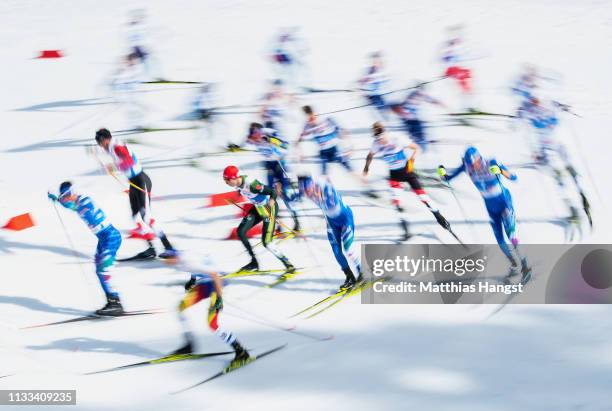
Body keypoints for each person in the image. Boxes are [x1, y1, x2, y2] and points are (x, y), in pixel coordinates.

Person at [439, 147, 530, 280]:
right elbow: (448, 178)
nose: (473, 167)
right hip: (491, 207)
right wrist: (442, 172)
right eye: (470, 165)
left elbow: (514, 177)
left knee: (511, 236)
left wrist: (500, 171)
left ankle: (525, 265)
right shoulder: (466, 166)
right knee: (499, 240)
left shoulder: (491, 163)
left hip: (504, 203)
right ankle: (514, 264)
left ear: (479, 158)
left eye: (474, 164)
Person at [95, 128, 176, 259]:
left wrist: (113, 167)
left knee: (147, 218)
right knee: (136, 217)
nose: (100, 146)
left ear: (105, 140)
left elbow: (129, 161)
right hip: (134, 183)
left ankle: (169, 248)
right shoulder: (112, 147)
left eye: (100, 143)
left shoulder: (116, 146)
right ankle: (151, 249)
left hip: (140, 181)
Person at [363, 122, 451, 241]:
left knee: (424, 198)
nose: (381, 141)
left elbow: (416, 148)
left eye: (382, 138)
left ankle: (440, 218)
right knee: (397, 204)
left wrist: (412, 160)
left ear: (386, 133)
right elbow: (370, 155)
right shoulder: (376, 144)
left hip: (408, 173)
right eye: (378, 139)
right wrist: (366, 167)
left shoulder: (397, 138)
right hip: (394, 176)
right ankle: (406, 231)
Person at [48, 182, 124, 315]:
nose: (66, 198)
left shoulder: (84, 203)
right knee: (99, 270)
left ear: (73, 192)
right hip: (103, 239)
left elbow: (75, 206)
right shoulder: (77, 202)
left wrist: (60, 199)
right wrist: (58, 199)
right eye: (64, 196)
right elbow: (69, 205)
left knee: (104, 270)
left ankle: (115, 303)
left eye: (67, 195)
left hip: (111, 237)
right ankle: (112, 301)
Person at [165, 252, 251, 367]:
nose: (165, 261)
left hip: (216, 285)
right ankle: (189, 345)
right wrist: (192, 280)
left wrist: (219, 298)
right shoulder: (181, 261)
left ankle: (241, 352)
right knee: (180, 307)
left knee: (212, 324)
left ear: (174, 257)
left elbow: (214, 274)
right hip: (204, 285)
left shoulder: (188, 261)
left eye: (167, 258)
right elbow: (195, 268)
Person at [223, 165, 295, 273]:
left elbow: (273, 192)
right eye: (225, 181)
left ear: (234, 178)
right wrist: (234, 198)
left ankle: (289, 265)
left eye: (227, 180)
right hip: (258, 208)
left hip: (268, 209)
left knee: (266, 242)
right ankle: (254, 263)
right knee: (241, 232)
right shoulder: (237, 183)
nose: (226, 183)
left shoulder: (252, 184)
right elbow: (241, 190)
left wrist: (271, 202)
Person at [297, 175, 361, 290]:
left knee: (348, 248)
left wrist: (320, 196)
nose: (307, 193)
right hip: (331, 222)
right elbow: (293, 199)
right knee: (336, 250)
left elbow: (331, 202)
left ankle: (361, 271)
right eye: (304, 191)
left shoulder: (326, 189)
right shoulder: (309, 190)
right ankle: (349, 276)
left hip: (344, 218)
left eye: (307, 190)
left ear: (312, 185)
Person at [245, 123, 300, 231]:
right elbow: (245, 142)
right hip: (269, 167)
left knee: (285, 194)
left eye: (257, 134)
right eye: (253, 135)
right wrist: (235, 147)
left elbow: (285, 145)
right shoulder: (252, 137)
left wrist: (271, 140)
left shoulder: (269, 132)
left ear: (260, 131)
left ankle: (297, 222)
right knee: (271, 196)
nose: (256, 138)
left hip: (280, 164)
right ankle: (279, 225)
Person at [297, 105, 353, 176]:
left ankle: (364, 181)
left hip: (335, 148)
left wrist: (350, 147)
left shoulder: (325, 119)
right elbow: (299, 141)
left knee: (350, 170)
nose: (312, 121)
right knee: (324, 176)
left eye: (312, 118)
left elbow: (344, 131)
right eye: (309, 119)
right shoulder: (307, 125)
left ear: (314, 113)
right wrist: (300, 153)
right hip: (324, 152)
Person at [392, 82, 446, 151]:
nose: (423, 93)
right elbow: (431, 100)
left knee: (417, 132)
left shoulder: (417, 94)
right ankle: (420, 143)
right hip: (409, 119)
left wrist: (442, 104)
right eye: (422, 91)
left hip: (410, 118)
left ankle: (420, 143)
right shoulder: (416, 94)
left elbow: (432, 100)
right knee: (416, 131)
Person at [358, 51, 391, 121]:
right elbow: (362, 81)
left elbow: (386, 79)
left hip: (381, 93)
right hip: (373, 94)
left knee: (382, 105)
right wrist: (362, 88)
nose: (376, 63)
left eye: (377, 61)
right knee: (379, 104)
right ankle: (383, 115)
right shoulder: (369, 70)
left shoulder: (382, 70)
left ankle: (385, 115)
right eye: (374, 61)